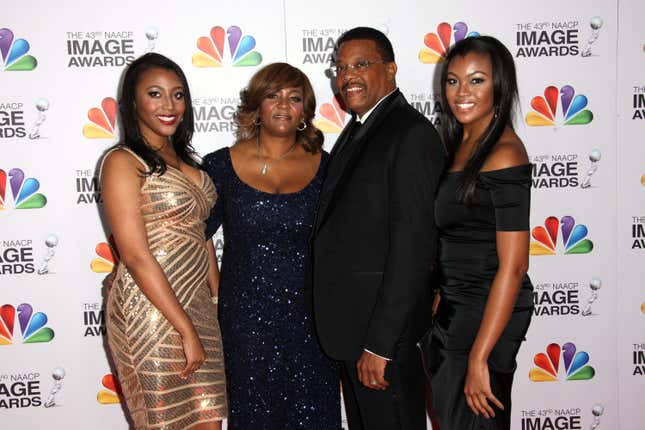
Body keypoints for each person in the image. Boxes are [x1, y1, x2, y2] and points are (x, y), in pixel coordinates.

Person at [310, 27, 445, 430]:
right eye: (341, 67)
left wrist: (380, 345)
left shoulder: (411, 135)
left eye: (360, 64)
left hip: (383, 340)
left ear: (390, 70)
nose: (347, 76)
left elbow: (414, 249)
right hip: (354, 332)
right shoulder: (358, 128)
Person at [203, 62, 341, 430]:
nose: (283, 105)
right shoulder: (220, 165)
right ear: (256, 107)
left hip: (313, 322)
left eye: (295, 98)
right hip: (245, 323)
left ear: (305, 112)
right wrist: (217, 294)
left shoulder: (328, 168)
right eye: (272, 95)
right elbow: (195, 236)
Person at [100, 53, 227, 430]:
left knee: (209, 421)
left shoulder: (189, 159)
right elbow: (136, 256)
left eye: (178, 95)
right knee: (164, 423)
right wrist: (184, 329)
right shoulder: (122, 161)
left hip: (199, 307)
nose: (169, 106)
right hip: (149, 311)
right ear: (133, 102)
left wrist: (218, 303)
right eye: (155, 94)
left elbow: (201, 235)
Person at [423, 35, 534, 430]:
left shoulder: (504, 153)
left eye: (477, 80)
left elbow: (515, 265)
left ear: (500, 86)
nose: (462, 92)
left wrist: (479, 357)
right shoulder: (458, 144)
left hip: (488, 310)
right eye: (452, 81)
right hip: (457, 306)